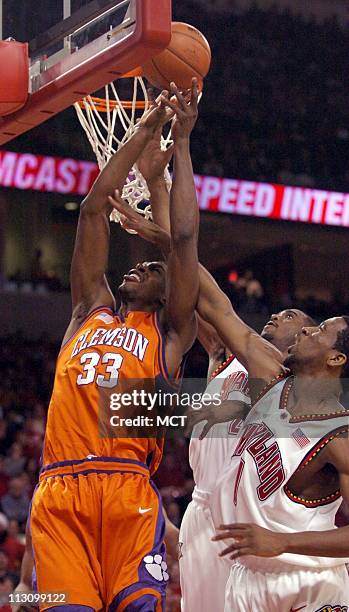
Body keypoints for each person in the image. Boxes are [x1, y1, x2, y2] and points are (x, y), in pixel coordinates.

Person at [106, 138, 319, 611]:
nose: (277, 319)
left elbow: (192, 267)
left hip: (250, 516)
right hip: (205, 509)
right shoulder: (228, 353)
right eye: (277, 314)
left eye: (291, 318)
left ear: (306, 340)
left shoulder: (283, 378)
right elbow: (190, 278)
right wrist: (158, 185)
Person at [29, 80, 200, 611]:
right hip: (59, 494)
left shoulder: (170, 336)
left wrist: (181, 147)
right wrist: (145, 127)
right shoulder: (87, 312)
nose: (137, 267)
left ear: (169, 289)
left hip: (129, 495)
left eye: (151, 267)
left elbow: (185, 243)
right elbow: (92, 210)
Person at [196, 266, 349, 611]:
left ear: (336, 358)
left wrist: (282, 541)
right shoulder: (269, 377)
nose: (308, 329)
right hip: (247, 574)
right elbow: (214, 306)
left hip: (309, 581)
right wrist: (169, 237)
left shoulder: (340, 433)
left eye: (321, 330)